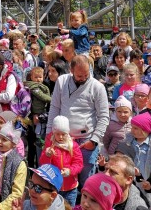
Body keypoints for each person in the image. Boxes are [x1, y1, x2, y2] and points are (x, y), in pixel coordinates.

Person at [47, 54, 109, 187]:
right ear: (71, 70)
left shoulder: (97, 87)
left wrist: (94, 140)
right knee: (63, 179)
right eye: (79, 76)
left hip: (86, 140)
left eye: (86, 74)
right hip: (62, 139)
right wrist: (49, 132)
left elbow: (104, 116)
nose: (84, 78)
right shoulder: (61, 81)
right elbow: (55, 107)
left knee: (86, 181)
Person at [39, 116, 83, 207]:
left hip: (70, 188)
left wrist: (70, 171)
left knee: (69, 207)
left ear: (67, 133)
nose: (60, 137)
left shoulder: (73, 146)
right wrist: (47, 156)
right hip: (54, 187)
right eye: (57, 134)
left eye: (63, 134)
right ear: (53, 133)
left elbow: (78, 163)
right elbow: (43, 165)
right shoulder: (51, 146)